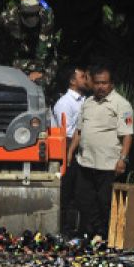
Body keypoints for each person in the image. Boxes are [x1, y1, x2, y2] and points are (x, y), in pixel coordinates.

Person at [66, 66, 134, 241]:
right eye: (97, 83)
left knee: (105, 202)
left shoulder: (121, 104)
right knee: (83, 199)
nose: (100, 87)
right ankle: (95, 232)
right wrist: (70, 152)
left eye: (104, 83)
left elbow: (127, 135)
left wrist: (123, 159)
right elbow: (78, 132)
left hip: (108, 163)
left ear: (111, 84)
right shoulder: (87, 103)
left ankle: (104, 235)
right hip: (85, 161)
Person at [54, 66, 91, 235]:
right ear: (72, 81)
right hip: (70, 152)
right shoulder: (64, 103)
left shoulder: (86, 101)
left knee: (82, 194)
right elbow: (67, 132)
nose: (87, 79)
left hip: (84, 151)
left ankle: (80, 229)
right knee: (68, 193)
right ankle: (65, 231)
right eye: (83, 76)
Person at [0, 0, 59, 88]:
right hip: (17, 55)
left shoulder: (46, 17)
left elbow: (44, 45)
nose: (31, 18)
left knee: (40, 83)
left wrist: (38, 71)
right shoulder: (8, 17)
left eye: (34, 14)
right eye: (27, 15)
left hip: (41, 56)